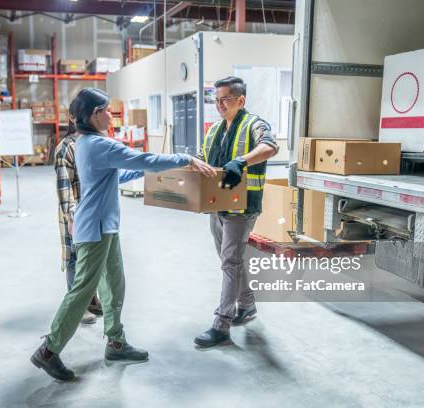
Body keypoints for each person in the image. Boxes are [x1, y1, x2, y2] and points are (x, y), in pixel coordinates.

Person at [32, 88, 216, 381]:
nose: (110, 115)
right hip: (93, 228)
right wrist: (186, 159)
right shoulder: (96, 144)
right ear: (94, 114)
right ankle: (49, 351)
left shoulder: (89, 143)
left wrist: (150, 174)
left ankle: (116, 342)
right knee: (82, 291)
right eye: (106, 110)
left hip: (105, 227)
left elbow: (119, 174)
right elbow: (144, 159)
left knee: (114, 285)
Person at [194, 76, 278, 348]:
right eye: (216, 100)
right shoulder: (214, 130)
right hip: (216, 206)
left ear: (240, 100)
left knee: (230, 261)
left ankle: (222, 324)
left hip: (242, 207)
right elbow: (203, 158)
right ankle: (248, 306)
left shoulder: (254, 124)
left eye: (224, 99)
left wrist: (241, 161)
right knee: (230, 259)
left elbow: (270, 147)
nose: (219, 105)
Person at [53, 98, 102, 325]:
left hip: (93, 211)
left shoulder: (93, 141)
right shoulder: (66, 147)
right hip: (76, 214)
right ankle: (77, 307)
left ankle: (90, 299)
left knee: (91, 258)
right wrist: (71, 217)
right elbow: (64, 187)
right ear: (73, 118)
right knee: (75, 259)